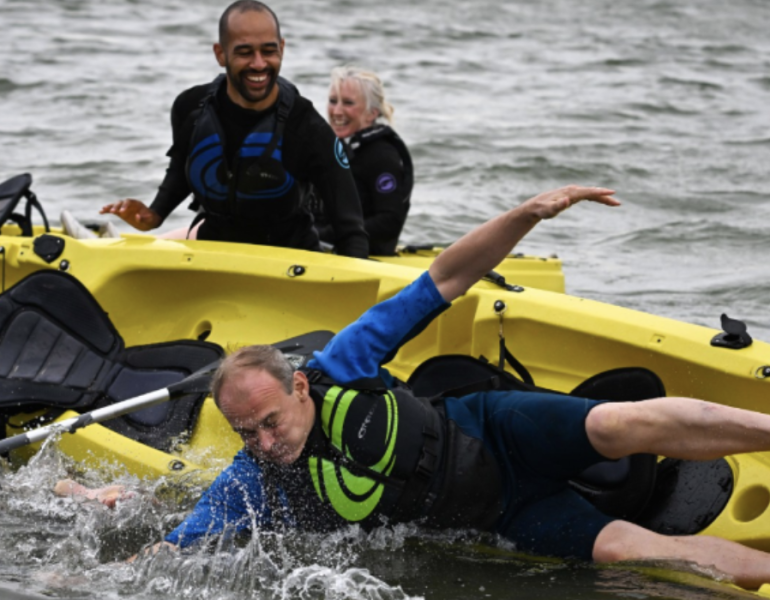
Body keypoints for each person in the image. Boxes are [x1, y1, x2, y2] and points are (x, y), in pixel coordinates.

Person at [86, 184, 770, 590]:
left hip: (494, 428)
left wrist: (527, 214)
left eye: (269, 421)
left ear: (298, 386)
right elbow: (176, 547)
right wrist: (94, 575)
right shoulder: (252, 482)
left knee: (620, 425)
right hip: (501, 516)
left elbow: (443, 279)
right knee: (626, 549)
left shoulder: (341, 364)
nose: (266, 443)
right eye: (248, 435)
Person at [98, 1, 368, 258]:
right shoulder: (190, 109)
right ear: (220, 53)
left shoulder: (307, 128)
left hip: (289, 264)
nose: (259, 64)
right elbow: (184, 167)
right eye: (245, 52)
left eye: (269, 50)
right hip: (216, 257)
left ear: (282, 49)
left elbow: (351, 231)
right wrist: (154, 215)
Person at [310, 67, 413, 256]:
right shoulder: (334, 147)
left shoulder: (382, 156)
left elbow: (390, 220)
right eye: (333, 101)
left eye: (348, 103)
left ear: (371, 113)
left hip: (367, 256)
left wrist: (326, 234)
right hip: (323, 246)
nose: (337, 111)